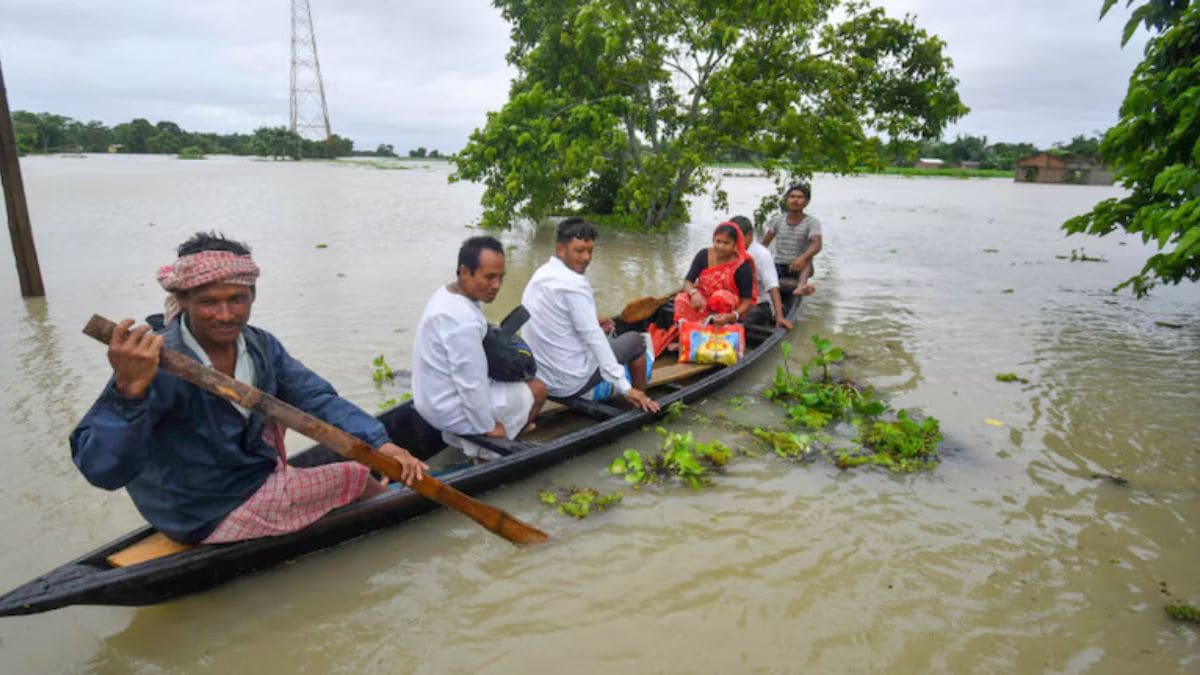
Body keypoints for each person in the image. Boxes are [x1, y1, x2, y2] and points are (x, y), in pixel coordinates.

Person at [70, 232, 428, 546]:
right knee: (356, 475)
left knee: (337, 460)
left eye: (237, 299)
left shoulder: (260, 346)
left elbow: (316, 398)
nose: (226, 315)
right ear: (183, 300)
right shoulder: (157, 364)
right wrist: (127, 392)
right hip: (199, 510)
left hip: (243, 477)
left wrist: (380, 442)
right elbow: (103, 471)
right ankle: (389, 514)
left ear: (253, 295)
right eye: (208, 302)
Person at [412, 236, 548, 461]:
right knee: (538, 390)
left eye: (501, 277)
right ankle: (490, 452)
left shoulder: (447, 294)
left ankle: (504, 429)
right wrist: (488, 426)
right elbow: (471, 384)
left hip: (430, 401)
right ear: (465, 272)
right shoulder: (462, 321)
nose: (497, 285)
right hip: (448, 408)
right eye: (489, 277)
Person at [520, 218, 660, 413]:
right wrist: (625, 388)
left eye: (590, 251)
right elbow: (594, 338)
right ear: (561, 249)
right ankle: (640, 400)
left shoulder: (542, 274)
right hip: (569, 382)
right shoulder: (575, 284)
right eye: (579, 251)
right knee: (636, 341)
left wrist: (592, 321)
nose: (586, 257)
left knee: (603, 336)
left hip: (540, 375)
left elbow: (556, 319)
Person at [673, 221, 758, 327]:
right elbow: (688, 281)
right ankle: (688, 328)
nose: (720, 247)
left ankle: (720, 326)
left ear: (735, 244)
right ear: (713, 240)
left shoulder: (742, 266)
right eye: (718, 241)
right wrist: (694, 293)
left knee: (719, 297)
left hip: (726, 307)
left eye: (726, 243)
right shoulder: (703, 255)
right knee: (681, 298)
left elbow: (746, 302)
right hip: (702, 301)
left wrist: (733, 315)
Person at [729, 215, 795, 329]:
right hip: (735, 299)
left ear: (749, 235)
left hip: (759, 302)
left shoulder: (761, 254)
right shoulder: (729, 250)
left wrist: (779, 317)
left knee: (747, 319)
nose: (734, 243)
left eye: (737, 239)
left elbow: (772, 286)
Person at [760, 182, 821, 295]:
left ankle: (801, 286)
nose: (795, 200)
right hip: (780, 264)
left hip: (800, 267)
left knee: (808, 259)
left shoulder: (811, 222)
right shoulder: (778, 220)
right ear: (787, 200)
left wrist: (802, 258)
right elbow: (764, 244)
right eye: (792, 197)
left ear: (806, 202)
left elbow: (817, 244)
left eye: (799, 197)